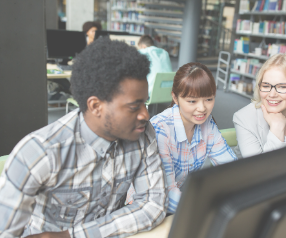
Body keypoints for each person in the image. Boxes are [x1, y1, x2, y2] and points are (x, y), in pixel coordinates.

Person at [0, 38, 168, 237]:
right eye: (134, 106)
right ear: (96, 106)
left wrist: (72, 235)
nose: (145, 115)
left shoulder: (143, 133)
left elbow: (153, 206)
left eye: (145, 103)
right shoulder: (39, 153)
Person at [126, 62, 237, 213]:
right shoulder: (160, 130)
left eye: (209, 99)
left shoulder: (207, 123)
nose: (202, 108)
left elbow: (231, 167)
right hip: (142, 207)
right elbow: (167, 193)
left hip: (176, 205)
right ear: (176, 98)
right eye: (192, 101)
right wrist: (208, 208)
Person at [233, 53, 286, 158]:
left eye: (282, 87)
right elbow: (258, 171)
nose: (272, 94)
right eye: (266, 85)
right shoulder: (244, 118)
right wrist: (276, 129)